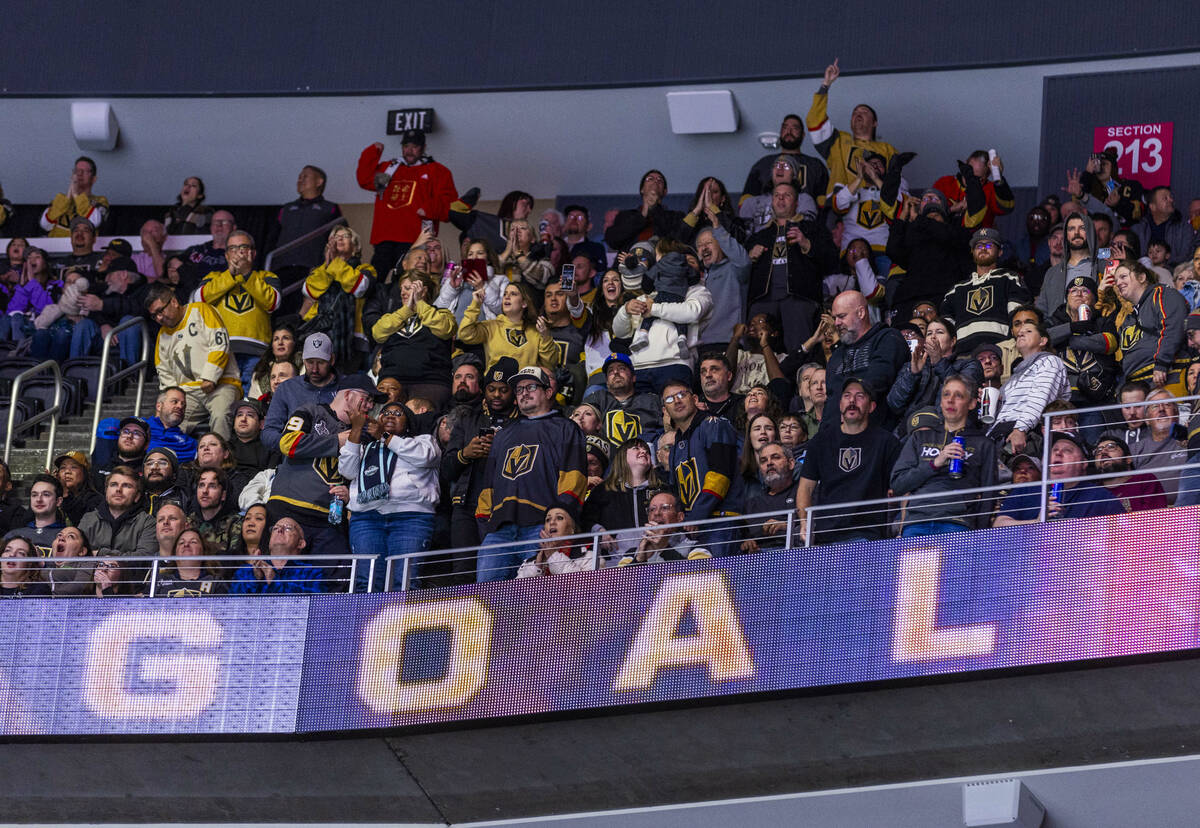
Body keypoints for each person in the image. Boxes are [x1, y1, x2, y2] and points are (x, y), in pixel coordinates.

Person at [474, 366, 587, 582]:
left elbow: (574, 481)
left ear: (548, 392)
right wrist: (485, 526)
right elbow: (487, 487)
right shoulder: (502, 436)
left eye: (531, 387)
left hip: (540, 528)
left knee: (538, 601)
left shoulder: (566, 428)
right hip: (499, 532)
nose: (524, 392)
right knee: (487, 601)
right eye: (519, 389)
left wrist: (556, 526)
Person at [270, 373, 382, 554]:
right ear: (348, 395)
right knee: (281, 572)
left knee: (335, 577)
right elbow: (287, 443)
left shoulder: (365, 435)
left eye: (373, 402)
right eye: (367, 398)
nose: (370, 406)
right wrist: (336, 441)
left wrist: (350, 492)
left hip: (330, 518)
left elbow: (364, 476)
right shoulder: (310, 411)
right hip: (289, 505)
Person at [339, 399, 440, 591]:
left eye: (397, 413)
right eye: (385, 413)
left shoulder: (423, 441)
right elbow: (347, 471)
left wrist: (384, 436)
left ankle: (400, 622)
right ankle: (368, 622)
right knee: (366, 583)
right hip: (366, 519)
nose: (390, 416)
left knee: (404, 583)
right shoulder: (365, 446)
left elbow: (423, 457)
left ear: (409, 421)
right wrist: (356, 430)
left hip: (411, 518)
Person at [891, 375, 999, 536]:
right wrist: (934, 463)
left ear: (971, 404)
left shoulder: (983, 444)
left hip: (958, 524)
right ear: (940, 402)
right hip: (917, 523)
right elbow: (898, 484)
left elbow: (988, 495)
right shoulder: (919, 438)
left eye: (959, 395)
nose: (950, 400)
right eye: (946, 394)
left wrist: (980, 536)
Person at [797, 378, 901, 545]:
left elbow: (901, 487)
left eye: (860, 396)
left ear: (871, 407)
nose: (852, 401)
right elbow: (805, 488)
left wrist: (901, 524)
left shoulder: (886, 442)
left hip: (867, 535)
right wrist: (805, 523)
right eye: (847, 396)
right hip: (825, 536)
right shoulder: (821, 441)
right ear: (839, 404)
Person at [356, 128, 458, 279]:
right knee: (374, 281)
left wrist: (429, 209)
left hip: (415, 239)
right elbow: (364, 180)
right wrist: (372, 152)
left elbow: (449, 203)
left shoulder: (437, 171)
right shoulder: (389, 168)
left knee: (406, 282)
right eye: (406, 146)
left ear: (423, 148)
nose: (409, 151)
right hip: (384, 237)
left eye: (414, 147)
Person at [146, 284, 242, 440]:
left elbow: (220, 343)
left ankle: (219, 461)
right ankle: (169, 458)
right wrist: (168, 399)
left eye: (160, 311)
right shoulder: (162, 335)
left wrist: (210, 376)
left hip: (222, 383)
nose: (158, 318)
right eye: (154, 315)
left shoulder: (201, 311)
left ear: (174, 302)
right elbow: (163, 370)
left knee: (220, 415)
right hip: (187, 392)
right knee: (167, 420)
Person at [662, 378, 743, 555]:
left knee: (713, 578)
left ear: (695, 399)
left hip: (721, 521)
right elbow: (675, 489)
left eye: (681, 394)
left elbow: (720, 475)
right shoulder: (675, 445)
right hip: (693, 526)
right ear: (664, 410)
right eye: (669, 399)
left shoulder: (714, 424)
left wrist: (696, 515)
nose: (676, 401)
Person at [744, 181, 832, 336]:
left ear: (797, 203)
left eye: (787, 195)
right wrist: (749, 258)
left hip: (800, 298)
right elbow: (740, 272)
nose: (781, 199)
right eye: (777, 195)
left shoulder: (813, 229)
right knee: (758, 353)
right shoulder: (759, 236)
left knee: (799, 351)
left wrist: (806, 243)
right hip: (763, 300)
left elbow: (831, 261)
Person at [197, 230, 281, 389]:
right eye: (233, 249)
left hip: (257, 351)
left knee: (253, 403)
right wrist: (231, 275)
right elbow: (200, 300)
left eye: (243, 247)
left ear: (253, 253)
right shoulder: (213, 277)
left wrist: (247, 274)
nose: (238, 253)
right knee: (225, 403)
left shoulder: (267, 277)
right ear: (226, 255)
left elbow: (273, 303)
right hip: (221, 352)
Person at [366, 269, 457, 410]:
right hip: (393, 382)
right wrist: (406, 311)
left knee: (418, 416)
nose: (402, 292)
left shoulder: (442, 314)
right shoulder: (393, 317)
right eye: (401, 288)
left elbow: (445, 330)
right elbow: (377, 333)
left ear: (423, 290)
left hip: (430, 383)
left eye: (408, 288)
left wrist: (420, 303)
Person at [805, 59, 897, 195]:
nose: (858, 114)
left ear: (874, 123)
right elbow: (814, 121)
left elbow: (896, 183)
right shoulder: (838, 141)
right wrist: (826, 85)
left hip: (876, 210)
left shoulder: (888, 149)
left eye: (864, 112)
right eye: (855, 113)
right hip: (841, 210)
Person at [994, 432, 1125, 525]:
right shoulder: (1026, 490)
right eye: (1054, 449)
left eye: (1067, 450)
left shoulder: (1100, 497)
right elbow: (999, 525)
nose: (1058, 452)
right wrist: (1037, 522)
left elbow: (1123, 535)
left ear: (1083, 463)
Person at [821, 290, 909, 430]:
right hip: (833, 437)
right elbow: (830, 400)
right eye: (834, 318)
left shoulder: (887, 338)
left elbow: (878, 381)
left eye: (842, 316)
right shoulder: (836, 356)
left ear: (861, 313)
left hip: (874, 435)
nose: (836, 323)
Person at [941, 228, 1031, 355]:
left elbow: (1018, 318)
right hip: (963, 355)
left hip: (1000, 352)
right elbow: (945, 328)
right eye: (978, 245)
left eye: (989, 245)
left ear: (1000, 252)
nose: (983, 248)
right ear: (972, 252)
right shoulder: (956, 290)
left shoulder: (1009, 278)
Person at [886, 191, 975, 320]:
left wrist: (919, 219)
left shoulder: (956, 231)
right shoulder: (913, 235)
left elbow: (944, 233)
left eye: (935, 198)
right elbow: (893, 251)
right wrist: (903, 215)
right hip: (910, 296)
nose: (930, 199)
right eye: (925, 199)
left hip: (944, 294)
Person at [887, 317, 984, 433]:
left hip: (949, 431)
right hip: (910, 431)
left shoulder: (970, 364)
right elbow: (894, 403)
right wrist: (913, 374)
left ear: (952, 341)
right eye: (929, 333)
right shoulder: (913, 364)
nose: (933, 337)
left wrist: (939, 362)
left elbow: (962, 395)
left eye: (939, 332)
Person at [990, 320, 1070, 455]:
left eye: (1028, 331)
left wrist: (1021, 429)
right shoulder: (1015, 374)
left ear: (1042, 341)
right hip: (1001, 431)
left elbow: (1040, 398)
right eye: (1019, 333)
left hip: (1026, 431)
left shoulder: (1049, 361)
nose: (1021, 333)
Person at [300, 225, 374, 370]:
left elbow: (359, 288)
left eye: (345, 236)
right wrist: (328, 266)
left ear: (356, 246)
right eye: (335, 237)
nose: (339, 238)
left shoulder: (365, 269)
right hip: (321, 334)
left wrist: (335, 263)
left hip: (353, 340)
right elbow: (309, 292)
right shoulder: (321, 270)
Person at [1112, 260, 1190, 391]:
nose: (1118, 283)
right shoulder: (1130, 316)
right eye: (1116, 280)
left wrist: (1161, 364)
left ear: (1142, 277)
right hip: (1139, 383)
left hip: (1166, 375)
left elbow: (1173, 327)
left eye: (1123, 276)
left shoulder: (1161, 294)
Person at [261, 332, 341, 450]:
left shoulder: (345, 387)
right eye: (310, 362)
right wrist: (295, 445)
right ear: (303, 359)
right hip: (295, 462)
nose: (314, 369)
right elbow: (268, 433)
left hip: (334, 462)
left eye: (320, 362)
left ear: (332, 359)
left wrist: (300, 444)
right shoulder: (287, 388)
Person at [458, 281, 558, 372]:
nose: (507, 297)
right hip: (496, 387)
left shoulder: (536, 331)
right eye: (505, 294)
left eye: (513, 294)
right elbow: (464, 335)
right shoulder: (492, 326)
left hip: (524, 388)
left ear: (524, 303)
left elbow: (549, 365)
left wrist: (545, 336)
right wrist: (475, 304)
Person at [271, 165, 344, 283]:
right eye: (299, 177)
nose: (300, 180)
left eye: (305, 177)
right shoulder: (286, 208)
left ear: (319, 182)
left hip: (313, 269)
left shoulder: (329, 208)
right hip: (282, 268)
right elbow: (273, 237)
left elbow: (341, 240)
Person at [583, 352, 663, 449]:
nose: (616, 372)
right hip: (606, 461)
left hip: (644, 457)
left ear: (633, 377)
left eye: (621, 368)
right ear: (607, 382)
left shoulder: (651, 401)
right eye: (610, 371)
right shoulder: (597, 399)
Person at [227, 517, 326, 594]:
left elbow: (313, 609)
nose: (280, 530)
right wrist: (256, 578)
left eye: (288, 528)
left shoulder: (312, 574)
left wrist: (274, 581)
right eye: (275, 528)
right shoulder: (246, 571)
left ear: (301, 544)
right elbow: (233, 608)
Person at [742, 114, 828, 202]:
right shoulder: (763, 163)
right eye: (785, 128)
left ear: (803, 135)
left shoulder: (815, 165)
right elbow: (746, 201)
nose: (789, 131)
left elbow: (824, 202)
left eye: (795, 128)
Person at [77, 467, 157, 558]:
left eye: (127, 486)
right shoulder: (89, 519)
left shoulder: (147, 522)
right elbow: (75, 554)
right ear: (106, 492)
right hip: (90, 572)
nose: (118, 489)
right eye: (114, 484)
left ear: (137, 496)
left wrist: (100, 553)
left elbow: (144, 558)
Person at [615, 490, 712, 566]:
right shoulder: (632, 553)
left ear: (680, 517)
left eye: (665, 508)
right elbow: (617, 587)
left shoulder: (697, 547)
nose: (657, 513)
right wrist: (639, 559)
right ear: (649, 518)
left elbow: (700, 580)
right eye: (652, 509)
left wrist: (664, 549)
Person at [1129, 389, 1189, 503]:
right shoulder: (1135, 450)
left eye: (1167, 404)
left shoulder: (1190, 440)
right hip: (1151, 514)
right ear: (1147, 420)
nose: (1161, 409)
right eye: (1155, 406)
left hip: (1190, 509)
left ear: (1176, 414)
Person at [932, 150, 1015, 229]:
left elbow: (1007, 208)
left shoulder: (990, 189)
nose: (971, 180)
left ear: (987, 175)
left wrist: (999, 179)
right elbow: (929, 214)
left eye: (977, 178)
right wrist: (952, 209)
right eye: (969, 173)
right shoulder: (945, 183)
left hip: (978, 240)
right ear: (965, 165)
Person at [604, 170, 684, 252]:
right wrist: (642, 215)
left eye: (660, 180)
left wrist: (655, 208)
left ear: (665, 192)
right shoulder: (625, 216)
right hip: (629, 262)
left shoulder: (675, 217)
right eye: (650, 179)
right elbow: (613, 241)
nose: (655, 182)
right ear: (642, 189)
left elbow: (677, 239)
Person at [740, 441, 798, 553]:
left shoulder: (804, 493)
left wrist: (788, 527)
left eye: (775, 457)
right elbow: (743, 538)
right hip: (760, 561)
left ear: (791, 463)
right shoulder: (752, 504)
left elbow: (816, 528)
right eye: (763, 461)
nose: (769, 463)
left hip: (797, 556)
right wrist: (747, 544)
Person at [1037, 213, 1097, 319]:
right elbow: (1041, 311)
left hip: (1094, 332)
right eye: (1071, 229)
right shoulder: (1052, 272)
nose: (1076, 233)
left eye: (1082, 228)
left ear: (1090, 232)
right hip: (1058, 333)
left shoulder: (1102, 266)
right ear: (1066, 235)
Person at [1092, 434, 1169, 512]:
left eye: (1111, 447)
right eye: (1098, 451)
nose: (1103, 452)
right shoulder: (1092, 493)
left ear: (1128, 459)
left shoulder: (1146, 481)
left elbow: (1154, 520)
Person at [515, 507, 596, 579]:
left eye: (559, 518)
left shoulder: (590, 555)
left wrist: (553, 556)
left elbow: (585, 586)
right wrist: (537, 566)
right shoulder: (530, 562)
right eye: (548, 520)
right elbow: (518, 593)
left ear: (572, 529)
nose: (552, 522)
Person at [39, 156, 108, 236]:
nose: (79, 174)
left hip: (82, 247)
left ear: (93, 179)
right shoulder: (60, 200)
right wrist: (68, 197)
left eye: (84, 171)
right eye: (76, 171)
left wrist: (76, 194)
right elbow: (45, 225)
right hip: (56, 247)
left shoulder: (100, 200)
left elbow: (94, 222)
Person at [1132, 187, 1197, 268]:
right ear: (1153, 207)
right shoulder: (1138, 229)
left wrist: (1166, 269)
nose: (1171, 200)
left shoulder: (1184, 228)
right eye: (1165, 198)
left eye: (1171, 197)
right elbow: (1132, 257)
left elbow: (1187, 256)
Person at [7, 474, 68, 556]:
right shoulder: (13, 535)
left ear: (58, 501)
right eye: (34, 495)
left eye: (46, 494)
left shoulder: (67, 538)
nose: (39, 499)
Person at [152, 529, 225, 597]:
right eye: (181, 542)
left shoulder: (215, 582)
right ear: (174, 553)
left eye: (193, 542)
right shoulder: (159, 580)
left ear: (203, 551)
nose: (186, 545)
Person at [179, 209, 236, 293]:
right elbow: (172, 267)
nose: (219, 226)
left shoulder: (240, 254)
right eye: (215, 223)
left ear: (233, 228)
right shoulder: (196, 251)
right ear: (211, 227)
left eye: (224, 222)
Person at [91, 415, 150, 490]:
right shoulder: (101, 465)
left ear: (147, 444)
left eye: (137, 433)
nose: (129, 436)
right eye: (125, 431)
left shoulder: (148, 471)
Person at [53, 451, 101, 526]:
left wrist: (65, 493)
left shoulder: (95, 500)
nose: (67, 471)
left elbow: (79, 525)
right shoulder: (53, 496)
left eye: (74, 467)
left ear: (85, 472)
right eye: (63, 468)